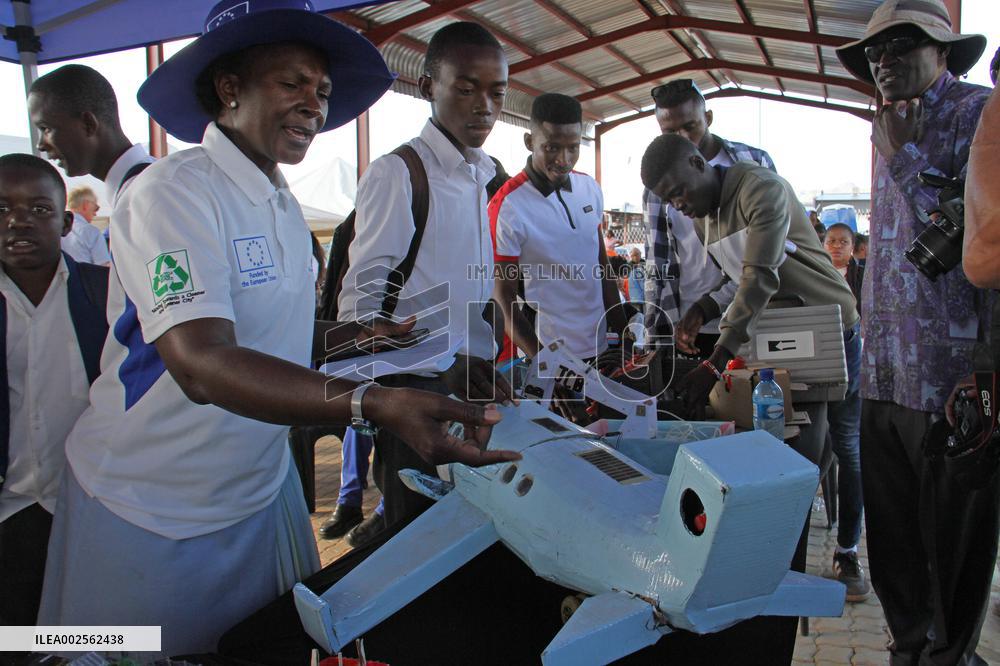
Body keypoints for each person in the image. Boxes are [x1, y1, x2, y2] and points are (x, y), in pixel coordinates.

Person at [36, 2, 518, 658]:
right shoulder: (173, 193)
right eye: (292, 83)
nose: (314, 105)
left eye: (321, 91)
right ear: (229, 88)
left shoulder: (281, 206)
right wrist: (367, 400)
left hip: (258, 493)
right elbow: (203, 364)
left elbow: (280, 338)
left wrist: (368, 338)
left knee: (265, 646)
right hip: (153, 502)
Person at [835, 0, 996, 662]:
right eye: (876, 51)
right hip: (883, 372)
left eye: (903, 45)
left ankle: (948, 655)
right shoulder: (885, 123)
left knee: (953, 545)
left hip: (951, 374)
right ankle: (909, 648)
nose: (884, 59)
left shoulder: (980, 114)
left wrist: (902, 157)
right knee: (895, 538)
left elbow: (973, 241)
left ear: (943, 52)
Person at [641, 135, 861, 607]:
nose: (679, 204)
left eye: (679, 189)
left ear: (700, 162)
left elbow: (760, 274)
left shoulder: (761, 190)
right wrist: (701, 306)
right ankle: (776, 569)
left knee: (827, 452)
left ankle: (832, 560)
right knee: (793, 456)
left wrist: (716, 360)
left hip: (825, 329)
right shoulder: (704, 217)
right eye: (669, 199)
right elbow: (731, 277)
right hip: (779, 338)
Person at [334, 21, 515, 539]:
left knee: (465, 535)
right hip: (413, 399)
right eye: (466, 88)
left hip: (466, 387)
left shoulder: (485, 175)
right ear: (427, 87)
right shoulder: (399, 174)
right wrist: (439, 361)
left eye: (496, 93)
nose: (484, 105)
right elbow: (359, 318)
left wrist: (476, 362)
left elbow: (472, 291)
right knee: (416, 539)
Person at [0, 154, 108, 634]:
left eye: (38, 210)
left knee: (97, 634)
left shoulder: (105, 294)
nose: (17, 222)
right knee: (15, 635)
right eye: (0, 208)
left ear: (66, 222)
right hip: (10, 510)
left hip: (89, 506)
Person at [643, 78, 775, 358]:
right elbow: (657, 262)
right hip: (691, 324)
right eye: (671, 132)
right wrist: (654, 333)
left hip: (752, 318)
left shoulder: (753, 162)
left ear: (708, 117)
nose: (684, 139)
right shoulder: (657, 189)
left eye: (690, 127)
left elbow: (770, 256)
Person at [490, 92, 622, 363]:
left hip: (600, 348)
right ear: (530, 142)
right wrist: (545, 363)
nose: (563, 159)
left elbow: (602, 266)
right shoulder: (508, 204)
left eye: (573, 147)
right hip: (546, 354)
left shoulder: (590, 189)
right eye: (551, 147)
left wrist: (621, 329)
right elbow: (503, 298)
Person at [28, 64, 153, 218]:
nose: (40, 145)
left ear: (88, 124)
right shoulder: (137, 187)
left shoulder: (147, 194)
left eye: (45, 128)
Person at [821, 222, 869, 600]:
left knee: (849, 451)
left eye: (843, 242)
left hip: (850, 364)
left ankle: (848, 550)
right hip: (802, 366)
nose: (836, 247)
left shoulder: (863, 276)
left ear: (853, 248)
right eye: (831, 241)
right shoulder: (810, 267)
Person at [60, 186, 111, 266]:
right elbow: (104, 267)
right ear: (86, 205)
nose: (95, 214)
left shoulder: (56, 231)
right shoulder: (92, 232)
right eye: (96, 208)